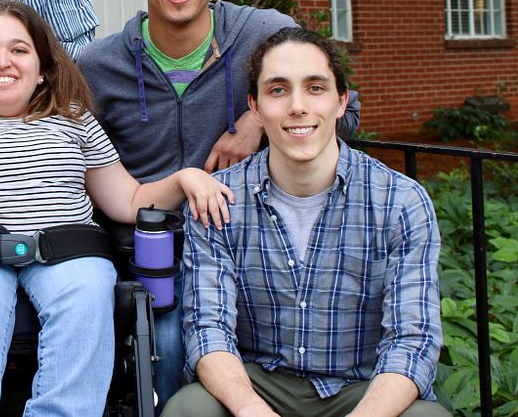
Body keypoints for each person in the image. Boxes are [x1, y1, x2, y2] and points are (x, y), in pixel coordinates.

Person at [0, 0, 233, 416]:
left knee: (89, 293)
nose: (2, 61)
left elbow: (127, 200)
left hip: (65, 249)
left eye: (19, 50)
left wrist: (184, 178)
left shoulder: (74, 119)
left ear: (42, 67)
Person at [77, 0, 362, 408]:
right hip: (147, 256)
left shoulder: (265, 35)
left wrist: (257, 120)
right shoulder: (98, 67)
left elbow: (346, 110)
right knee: (163, 345)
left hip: (250, 247)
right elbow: (74, 165)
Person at [163, 27, 446, 417]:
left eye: (315, 88)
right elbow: (208, 329)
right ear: (256, 107)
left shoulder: (400, 201)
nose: (298, 106)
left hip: (361, 388)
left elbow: (413, 341)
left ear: (341, 101)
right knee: (190, 408)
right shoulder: (220, 199)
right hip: (258, 383)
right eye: (278, 90)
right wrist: (250, 410)